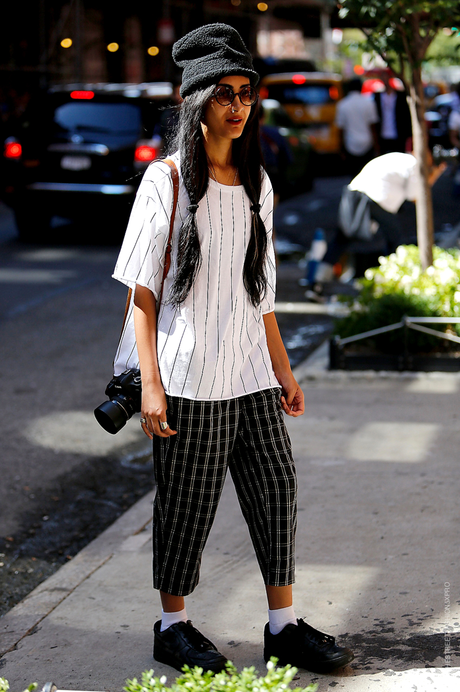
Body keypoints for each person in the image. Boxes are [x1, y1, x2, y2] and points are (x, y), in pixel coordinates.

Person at [112, 23, 354, 676]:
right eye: (225, 93)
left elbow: (262, 294)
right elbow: (142, 295)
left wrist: (283, 369)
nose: (239, 105)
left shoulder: (257, 185)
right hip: (190, 377)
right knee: (186, 506)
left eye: (247, 92)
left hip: (249, 372)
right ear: (195, 101)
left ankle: (282, 625)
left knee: (276, 490)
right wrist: (153, 384)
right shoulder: (164, 183)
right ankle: (173, 625)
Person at [306, 152, 446, 296]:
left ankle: (317, 282)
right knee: (396, 240)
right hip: (376, 198)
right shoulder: (414, 164)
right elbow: (414, 196)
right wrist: (435, 174)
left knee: (342, 239)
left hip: (358, 193)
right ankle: (391, 284)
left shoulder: (400, 157)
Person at [335, 78, 379, 176]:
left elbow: (341, 129)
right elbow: (373, 127)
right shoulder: (369, 103)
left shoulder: (342, 105)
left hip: (350, 143)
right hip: (367, 143)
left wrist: (340, 149)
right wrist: (377, 147)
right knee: (367, 175)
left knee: (354, 176)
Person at [373, 73, 411, 154]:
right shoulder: (377, 96)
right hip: (383, 136)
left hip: (399, 135)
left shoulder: (400, 95)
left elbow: (406, 116)